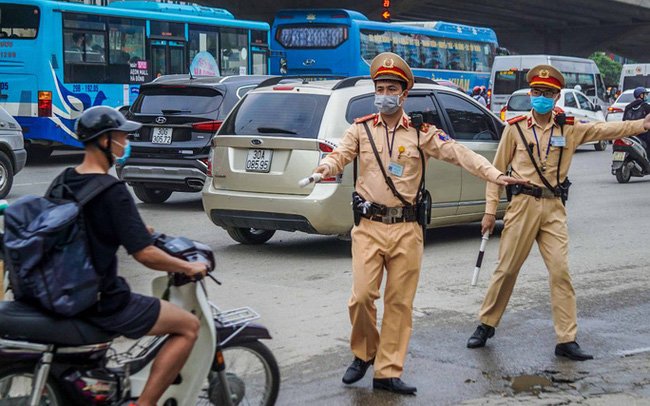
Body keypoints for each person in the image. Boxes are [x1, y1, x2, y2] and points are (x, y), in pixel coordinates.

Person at [313, 52, 527, 395]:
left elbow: (459, 153)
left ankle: (387, 371)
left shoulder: (420, 133)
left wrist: (494, 174)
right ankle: (365, 352)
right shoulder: (361, 129)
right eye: (378, 87)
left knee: (399, 303)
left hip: (407, 230)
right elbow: (339, 155)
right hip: (368, 226)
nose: (383, 93)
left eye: (390, 88)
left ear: (403, 93)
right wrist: (324, 168)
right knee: (362, 297)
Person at [467, 65, 650, 360]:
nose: (541, 97)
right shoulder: (515, 129)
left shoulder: (570, 127)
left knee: (560, 272)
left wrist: (641, 125)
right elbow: (496, 172)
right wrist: (490, 212)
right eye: (537, 92)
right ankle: (486, 324)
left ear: (556, 96)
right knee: (507, 270)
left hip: (553, 207)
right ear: (531, 94)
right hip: (522, 206)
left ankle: (566, 339)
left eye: (547, 93)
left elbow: (604, 129)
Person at [66, 106, 207, 406]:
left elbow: (84, 226)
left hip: (66, 291)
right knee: (188, 326)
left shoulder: (65, 181)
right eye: (121, 137)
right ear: (105, 141)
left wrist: (130, 227)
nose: (126, 143)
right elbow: (145, 254)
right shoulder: (113, 191)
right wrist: (187, 266)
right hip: (103, 300)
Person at [623, 86, 650, 156]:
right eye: (646, 94)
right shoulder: (646, 107)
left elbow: (624, 120)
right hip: (643, 135)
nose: (647, 96)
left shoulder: (628, 107)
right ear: (641, 95)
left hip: (630, 134)